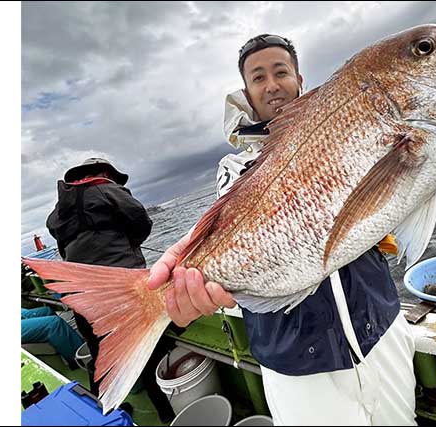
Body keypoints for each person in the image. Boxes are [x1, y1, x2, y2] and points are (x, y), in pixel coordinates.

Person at [148, 35, 417, 425]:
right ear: (246, 93)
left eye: (281, 72)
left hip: (382, 329)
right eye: (259, 77)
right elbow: (238, 224)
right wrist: (191, 268)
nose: (272, 84)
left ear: (300, 80)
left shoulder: (351, 134)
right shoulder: (236, 169)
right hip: (296, 359)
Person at [46, 158, 175, 422]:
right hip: (122, 291)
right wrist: (128, 242)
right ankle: (165, 415)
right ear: (105, 173)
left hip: (84, 297)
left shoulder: (58, 210)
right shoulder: (107, 188)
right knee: (147, 354)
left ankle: (99, 414)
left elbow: (60, 240)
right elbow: (141, 221)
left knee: (99, 358)